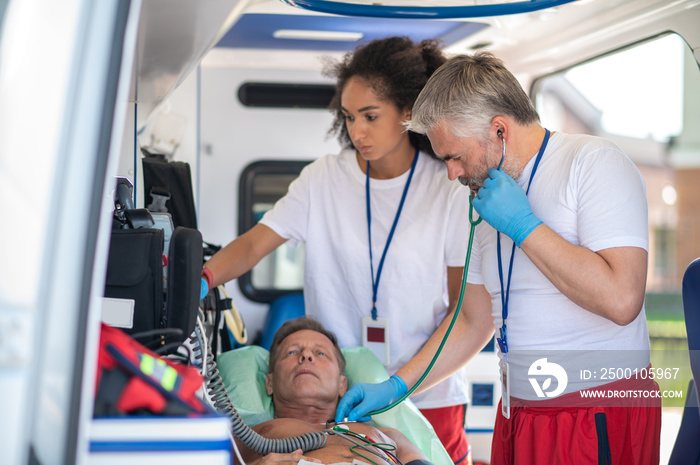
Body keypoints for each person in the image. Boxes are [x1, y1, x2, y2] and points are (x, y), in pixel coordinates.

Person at [336, 52, 662, 465]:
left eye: (456, 156)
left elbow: (622, 300)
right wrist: (398, 385)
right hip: (517, 412)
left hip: (593, 410)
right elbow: (472, 321)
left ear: (499, 130)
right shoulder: (482, 195)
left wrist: (524, 226)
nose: (452, 174)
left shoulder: (594, 164)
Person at [201, 37, 473, 464]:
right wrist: (201, 279)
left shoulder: (448, 187)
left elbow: (463, 311)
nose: (356, 132)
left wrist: (399, 386)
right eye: (348, 117)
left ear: (408, 112)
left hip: (429, 393)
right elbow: (255, 243)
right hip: (334, 399)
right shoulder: (323, 179)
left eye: (370, 116)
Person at [236, 316, 435, 465]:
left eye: (320, 353)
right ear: (269, 383)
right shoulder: (247, 435)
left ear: (342, 384)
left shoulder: (389, 436)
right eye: (292, 352)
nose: (306, 356)